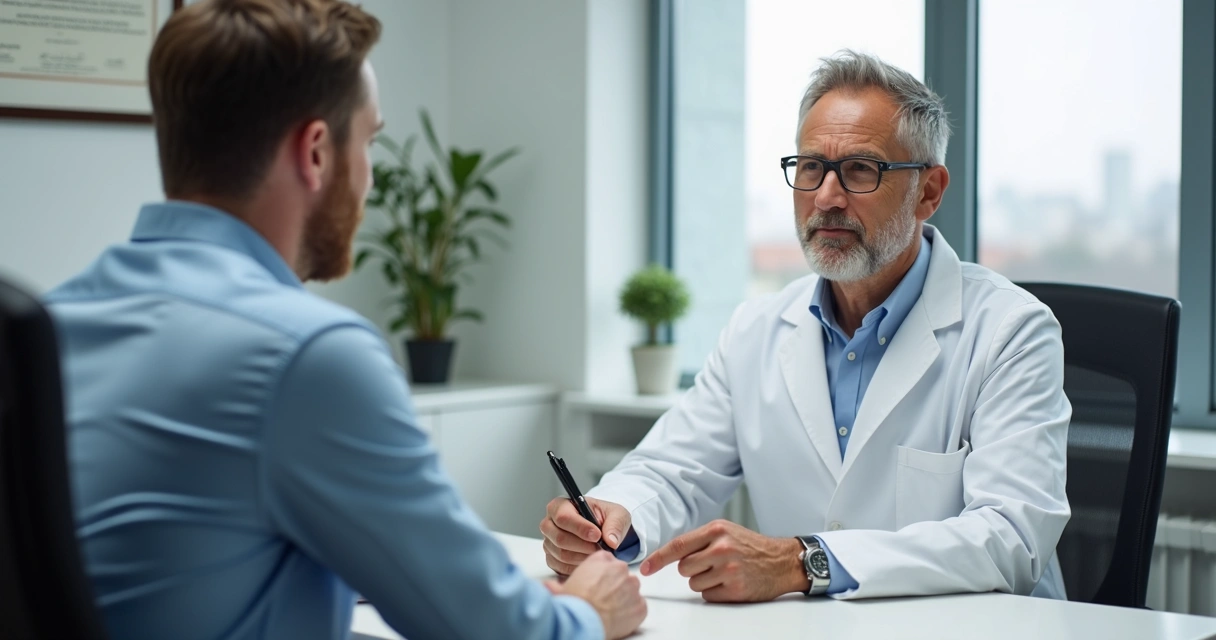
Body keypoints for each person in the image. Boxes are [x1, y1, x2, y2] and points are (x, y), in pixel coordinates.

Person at [45, 1, 646, 638]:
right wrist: (588, 610)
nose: (368, 175)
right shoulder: (305, 355)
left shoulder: (55, 321)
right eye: (370, 141)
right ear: (315, 152)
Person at [541, 50, 1071, 602]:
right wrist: (608, 517)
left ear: (929, 192)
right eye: (812, 167)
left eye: (861, 170)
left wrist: (804, 561)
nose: (826, 198)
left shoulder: (1012, 331)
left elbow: (1012, 537)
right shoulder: (757, 329)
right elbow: (672, 470)